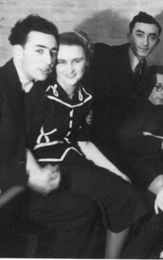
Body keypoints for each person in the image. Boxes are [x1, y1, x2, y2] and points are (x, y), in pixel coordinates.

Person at [24, 31, 149, 258]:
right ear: (52, 63)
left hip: (73, 161)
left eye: (77, 60)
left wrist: (118, 173)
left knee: (124, 192)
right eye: (61, 61)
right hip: (44, 166)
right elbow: (15, 141)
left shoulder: (86, 95)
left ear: (87, 61)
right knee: (121, 198)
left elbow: (84, 142)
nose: (70, 69)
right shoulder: (39, 92)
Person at [0, 14, 104, 258]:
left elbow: (16, 142)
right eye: (39, 50)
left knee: (83, 210)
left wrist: (34, 170)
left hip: (13, 185)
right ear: (18, 52)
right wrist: (26, 179)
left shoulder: (33, 89)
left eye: (52, 52)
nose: (48, 60)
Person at [88, 11, 162, 163]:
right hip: (91, 140)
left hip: (119, 143)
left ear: (157, 42)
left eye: (152, 37)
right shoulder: (104, 53)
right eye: (140, 35)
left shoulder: (144, 69)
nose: (145, 42)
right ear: (129, 37)